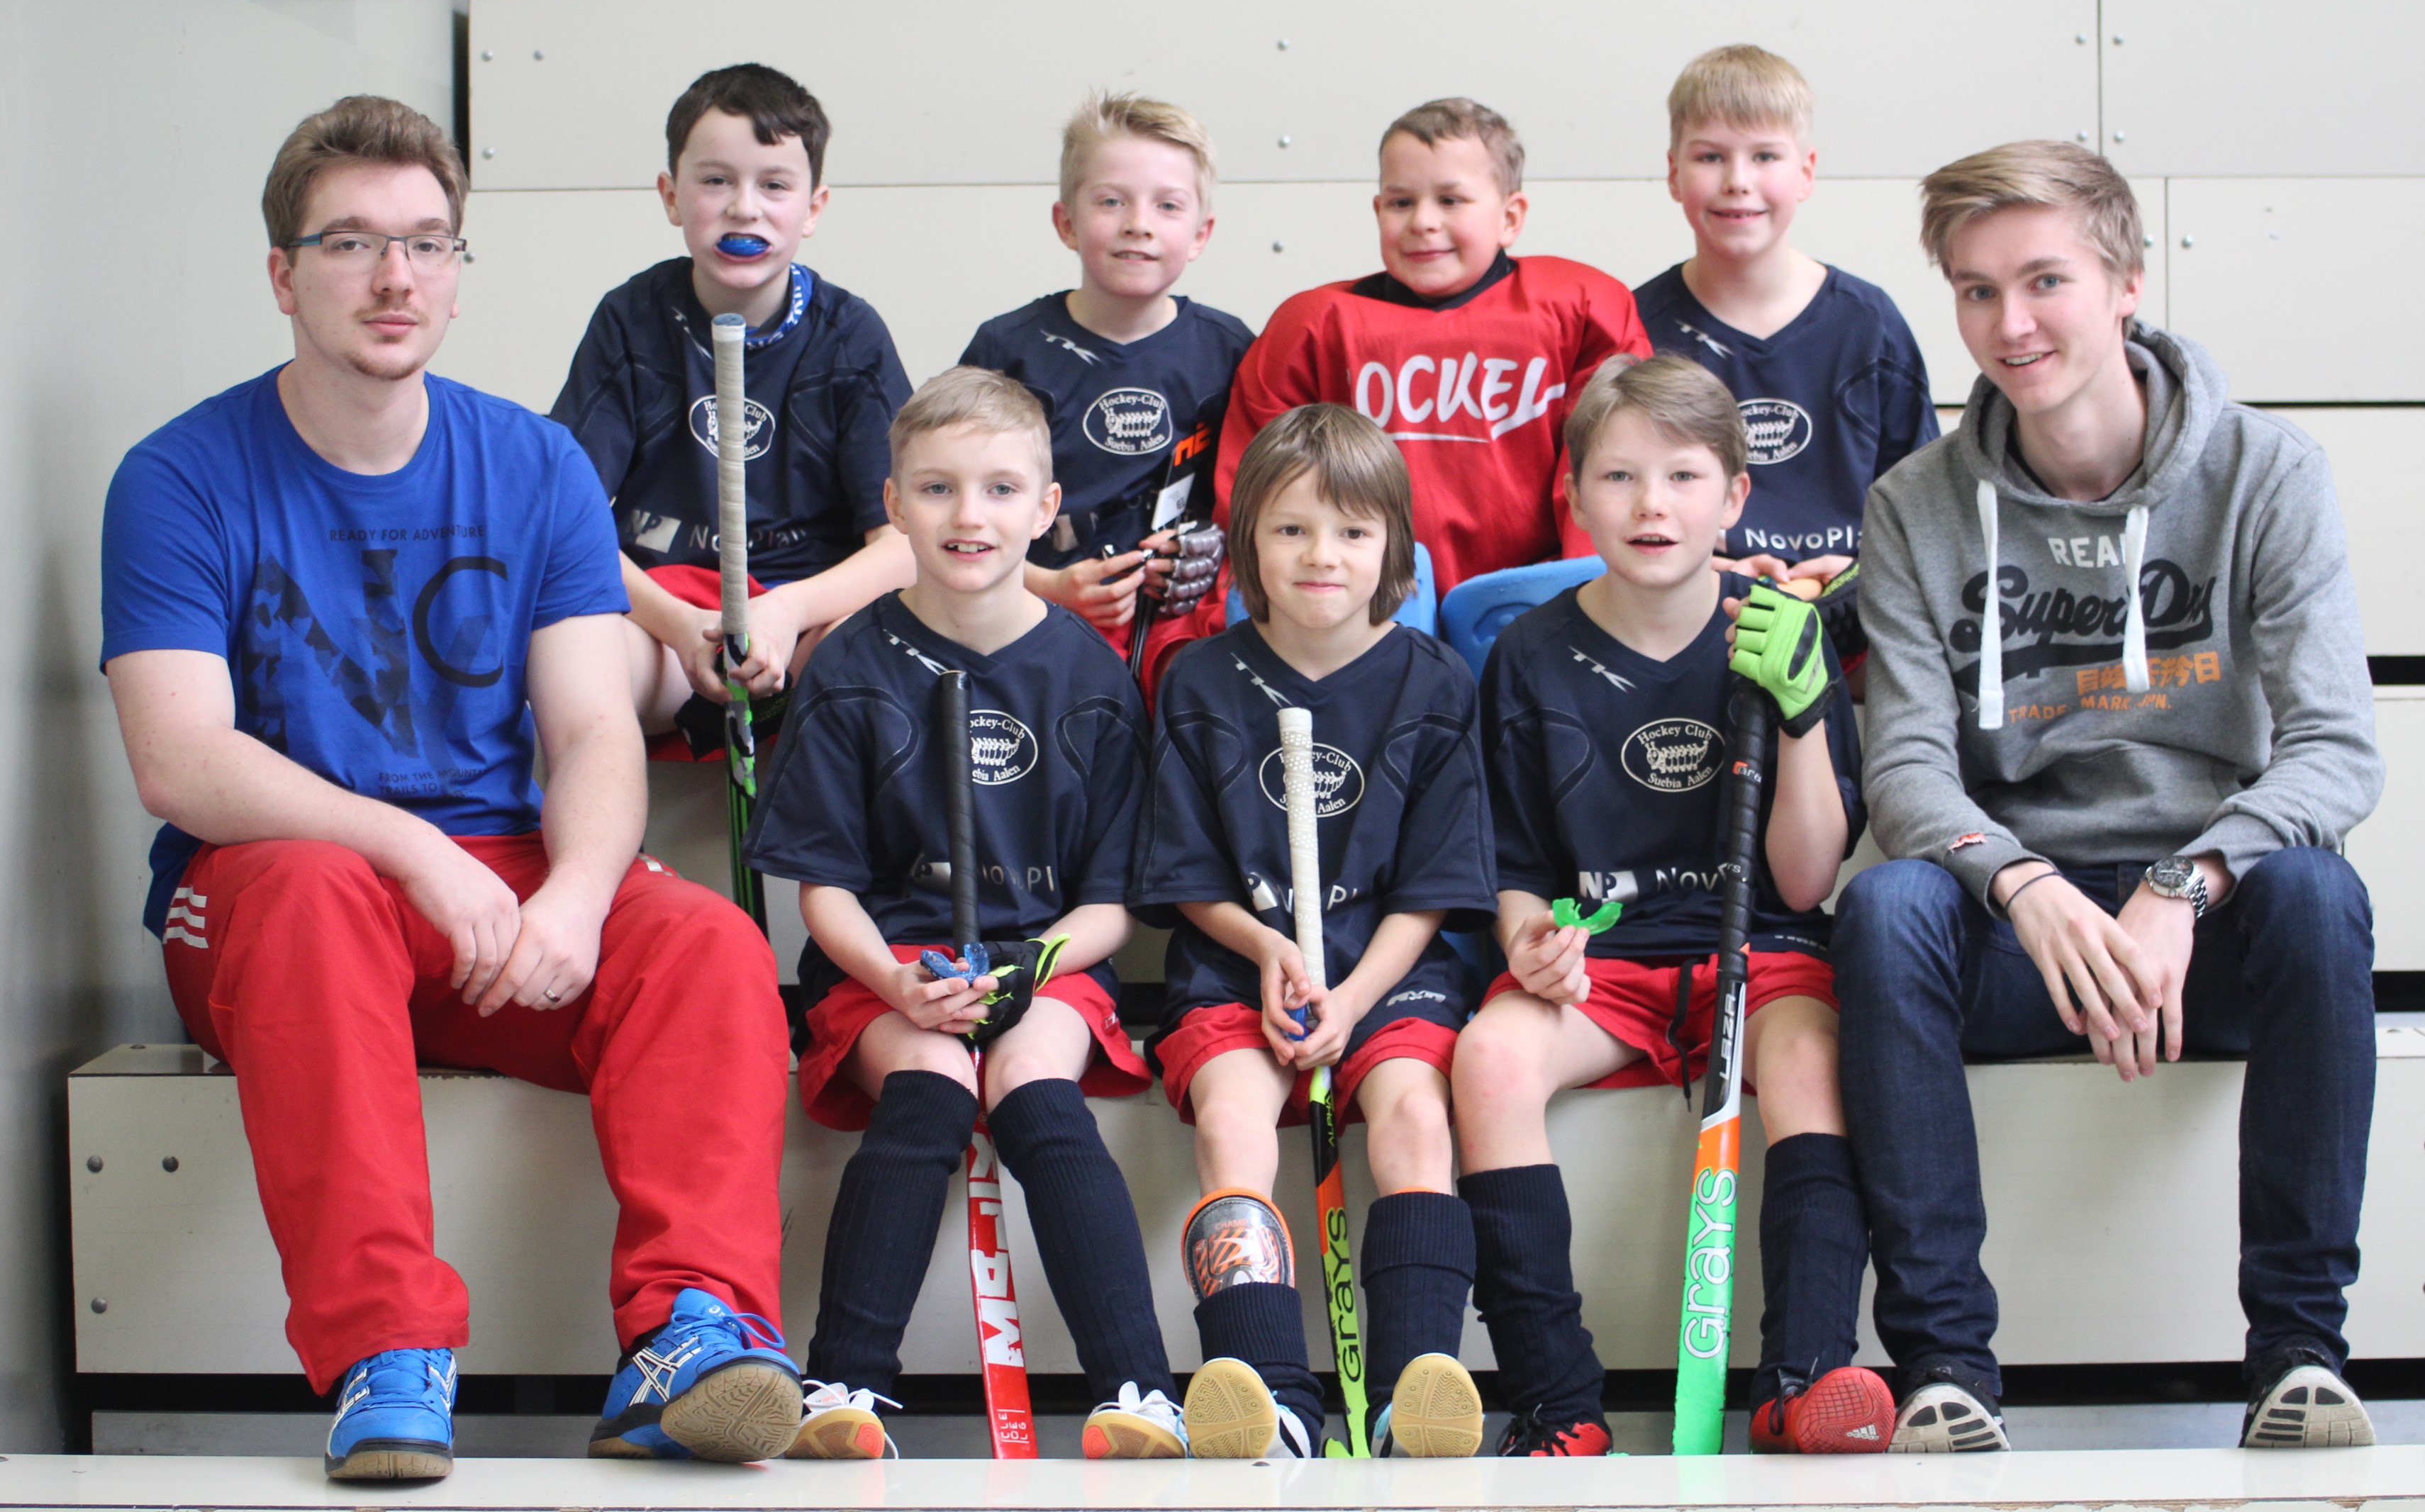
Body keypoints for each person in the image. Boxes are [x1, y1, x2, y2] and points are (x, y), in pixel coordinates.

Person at [99, 96, 798, 1479]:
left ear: (461, 270)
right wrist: (416, 855)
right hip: (280, 889)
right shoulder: (180, 476)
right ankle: (385, 1355)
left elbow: (595, 730)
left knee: (707, 942)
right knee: (307, 890)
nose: (395, 278)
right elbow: (177, 758)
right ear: (283, 273)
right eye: (351, 242)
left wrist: (583, 895)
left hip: (503, 883)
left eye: (427, 243)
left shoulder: (533, 464)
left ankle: (694, 1333)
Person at [1838, 141, 2384, 1452]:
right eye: (1974, 292)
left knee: (2319, 892)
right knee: (1886, 908)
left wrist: (2181, 883)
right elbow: (1904, 766)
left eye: (2043, 281)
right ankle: (1944, 1366)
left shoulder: (2266, 472)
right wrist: (2022, 885)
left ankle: (2299, 1353)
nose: (2008, 325)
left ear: (2127, 280)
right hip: (2019, 924)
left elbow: (2338, 748)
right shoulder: (1918, 502)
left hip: (2203, 924)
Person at [742, 367, 1185, 1461]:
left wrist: (1029, 967)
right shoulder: (845, 665)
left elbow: (1111, 910)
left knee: (1036, 1093)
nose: (968, 516)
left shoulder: (1092, 676)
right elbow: (825, 892)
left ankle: (1140, 1391)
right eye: (936, 490)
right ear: (892, 506)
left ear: (1047, 507)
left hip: (1047, 959)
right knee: (932, 1092)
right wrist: (896, 981)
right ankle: (843, 1384)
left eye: (998, 490)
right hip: (888, 966)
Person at [1455, 354, 1887, 1457]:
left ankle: (1803, 1377)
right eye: (1619, 477)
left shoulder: (1780, 632)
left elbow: (1803, 881)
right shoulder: (1529, 654)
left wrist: (1797, 716)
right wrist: (1528, 940)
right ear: (1574, 494)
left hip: (1762, 950)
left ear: (1737, 497)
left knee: (1807, 1061)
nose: (1653, 506)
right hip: (1606, 964)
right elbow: (1510, 865)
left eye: (1686, 477)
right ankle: (1558, 1402)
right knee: (1489, 1061)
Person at [1134, 405, 1498, 1460]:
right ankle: (1267, 1387)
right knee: (1232, 1121)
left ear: (1394, 547)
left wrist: (1351, 994)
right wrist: (1270, 954)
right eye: (1290, 530)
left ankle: (1407, 1389)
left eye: (1350, 531)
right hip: (1238, 964)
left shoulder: (1434, 682)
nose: (1321, 556)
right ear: (1247, 542)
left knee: (1415, 1116)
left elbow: (1432, 890)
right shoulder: (1199, 680)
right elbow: (1187, 876)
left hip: (1388, 970)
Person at [550, 63, 914, 754]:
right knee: (571, 658)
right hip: (665, 617)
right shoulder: (629, 321)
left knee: (874, 661)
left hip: (805, 616)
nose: (745, 207)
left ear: (814, 207)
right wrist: (679, 626)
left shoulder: (851, 336)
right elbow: (564, 520)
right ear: (671, 195)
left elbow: (904, 544)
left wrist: (787, 612)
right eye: (716, 181)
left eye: (774, 185)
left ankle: (836, 866)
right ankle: (611, 861)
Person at [1198, 98, 1649, 640]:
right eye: (1401, 202)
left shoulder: (1582, 309)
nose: (1423, 223)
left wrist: (1594, 598)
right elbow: (1253, 497)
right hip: (1357, 621)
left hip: (1536, 616)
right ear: (1377, 210)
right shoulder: (1311, 329)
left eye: (1451, 200)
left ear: (1510, 217)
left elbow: (1616, 475)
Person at [1634, 45, 1937, 641]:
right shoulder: (1636, 325)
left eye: (1765, 155)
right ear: (1673, 173)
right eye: (1710, 156)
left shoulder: (1869, 324)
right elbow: (1612, 501)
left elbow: (1928, 508)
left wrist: (1864, 574)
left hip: (1857, 629)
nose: (1737, 181)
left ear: (1806, 171)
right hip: (1689, 619)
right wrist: (1695, 568)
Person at [959, 91, 1249, 686]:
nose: (1137, 224)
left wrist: (1213, 550)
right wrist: (1045, 587)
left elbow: (1261, 502)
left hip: (1178, 636)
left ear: (1201, 234)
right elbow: (952, 509)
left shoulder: (1231, 351)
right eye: (1111, 201)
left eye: (1167, 206)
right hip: (1025, 613)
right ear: (1067, 222)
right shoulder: (1009, 348)